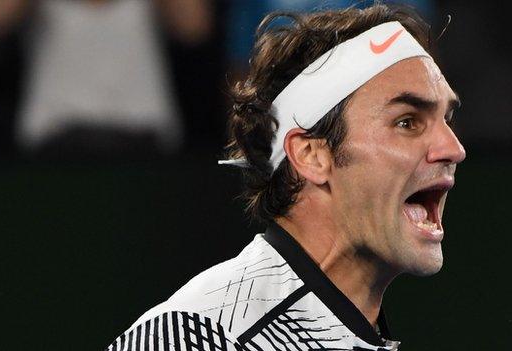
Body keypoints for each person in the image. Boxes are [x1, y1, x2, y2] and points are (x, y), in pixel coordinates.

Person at [106, 3, 465, 350]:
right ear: (311, 155)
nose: (454, 149)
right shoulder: (197, 337)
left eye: (446, 120)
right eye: (406, 122)